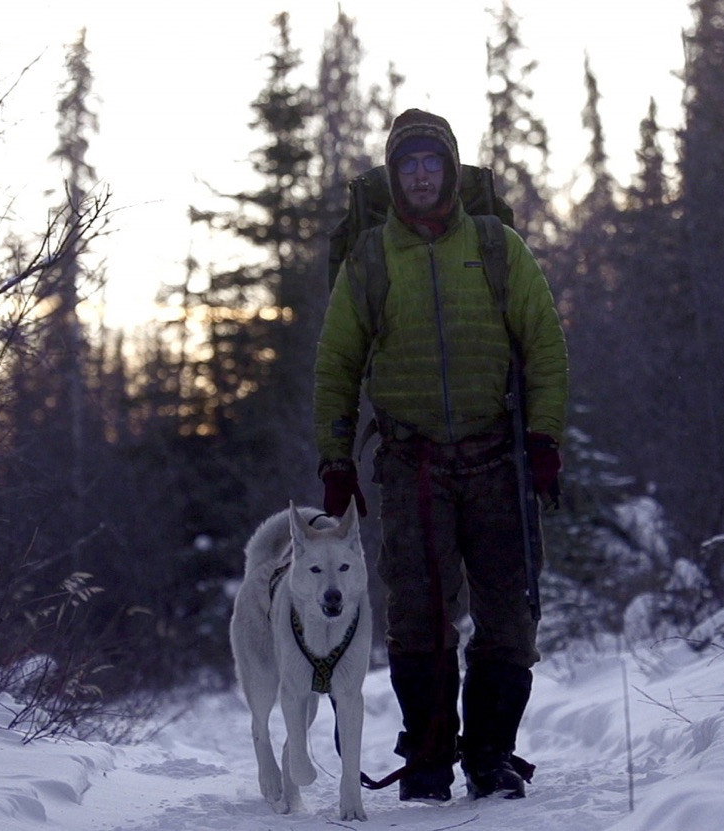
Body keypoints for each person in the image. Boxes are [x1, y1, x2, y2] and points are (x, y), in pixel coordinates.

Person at [312, 108, 568, 802]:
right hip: (411, 465)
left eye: (431, 162)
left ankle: (490, 752)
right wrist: (336, 460)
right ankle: (428, 753)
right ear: (394, 176)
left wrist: (543, 438)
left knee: (510, 612)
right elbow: (336, 361)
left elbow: (543, 340)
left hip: (496, 458)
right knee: (420, 616)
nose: (421, 175)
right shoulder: (370, 257)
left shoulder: (494, 245)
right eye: (408, 165)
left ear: (451, 168)